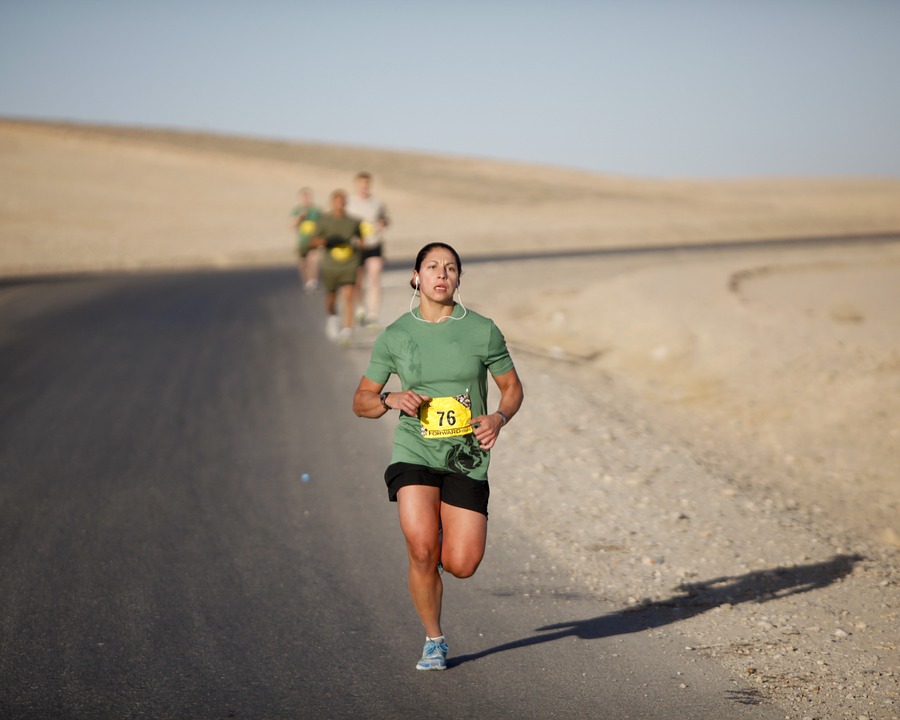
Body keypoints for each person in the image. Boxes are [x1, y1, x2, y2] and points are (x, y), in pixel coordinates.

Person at [352, 242, 524, 670]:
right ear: (416, 277)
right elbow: (361, 401)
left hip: (466, 455)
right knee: (422, 548)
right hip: (414, 450)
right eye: (432, 267)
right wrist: (391, 399)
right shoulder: (395, 335)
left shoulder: (481, 330)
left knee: (462, 564)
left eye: (450, 268)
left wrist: (500, 418)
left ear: (459, 279)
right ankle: (434, 639)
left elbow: (513, 388)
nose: (441, 274)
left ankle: (439, 547)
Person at [309, 190, 363, 346]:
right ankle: (332, 317)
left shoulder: (353, 222)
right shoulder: (324, 220)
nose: (340, 205)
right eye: (337, 201)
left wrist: (358, 245)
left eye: (343, 201)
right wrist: (326, 241)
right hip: (330, 265)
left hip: (349, 263)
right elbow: (312, 241)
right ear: (332, 202)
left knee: (348, 296)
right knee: (331, 297)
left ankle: (347, 332)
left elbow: (361, 240)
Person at [346, 171, 390, 328]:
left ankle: (373, 314)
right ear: (357, 185)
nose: (364, 187)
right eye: (361, 184)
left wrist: (382, 224)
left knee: (374, 278)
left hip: (374, 244)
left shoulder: (377, 203)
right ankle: (360, 308)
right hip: (356, 247)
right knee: (357, 282)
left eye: (366, 184)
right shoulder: (349, 203)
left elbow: (386, 219)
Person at [290, 187, 322, 293]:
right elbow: (293, 226)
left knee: (313, 259)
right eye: (304, 197)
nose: (306, 199)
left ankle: (312, 281)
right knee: (303, 264)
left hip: (313, 240)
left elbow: (323, 225)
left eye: (308, 197)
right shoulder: (297, 211)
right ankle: (306, 281)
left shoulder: (316, 211)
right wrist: (300, 217)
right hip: (302, 240)